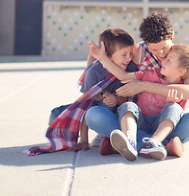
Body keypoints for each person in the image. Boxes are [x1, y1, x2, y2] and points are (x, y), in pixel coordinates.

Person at [87, 12, 189, 157]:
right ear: (145, 43)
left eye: (164, 48)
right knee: (93, 115)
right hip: (136, 119)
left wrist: (144, 85)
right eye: (154, 49)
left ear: (172, 36)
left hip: (165, 123)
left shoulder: (182, 57)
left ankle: (129, 144)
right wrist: (100, 58)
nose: (161, 54)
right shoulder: (138, 51)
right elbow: (119, 69)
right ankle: (161, 146)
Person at [28, 28, 136, 156]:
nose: (129, 58)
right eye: (124, 55)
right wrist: (84, 141)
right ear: (107, 56)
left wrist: (114, 99)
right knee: (55, 115)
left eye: (130, 53)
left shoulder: (130, 68)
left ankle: (109, 135)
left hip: (116, 112)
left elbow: (130, 100)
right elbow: (86, 105)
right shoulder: (94, 71)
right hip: (94, 109)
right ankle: (105, 134)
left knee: (111, 108)